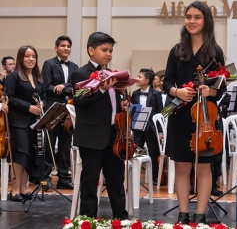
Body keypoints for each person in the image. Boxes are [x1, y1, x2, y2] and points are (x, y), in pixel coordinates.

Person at [162, 1, 225, 225]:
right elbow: (166, 82)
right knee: (181, 166)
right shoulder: (177, 50)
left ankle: (200, 214)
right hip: (180, 115)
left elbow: (222, 87)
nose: (192, 21)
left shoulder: (215, 52)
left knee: (204, 167)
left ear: (206, 20)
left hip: (205, 118)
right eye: (188, 16)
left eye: (197, 17)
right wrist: (177, 91)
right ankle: (183, 213)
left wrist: (211, 90)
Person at [71, 32, 128, 219]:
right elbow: (80, 102)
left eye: (111, 50)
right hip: (92, 136)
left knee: (116, 181)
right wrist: (101, 90)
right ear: (91, 50)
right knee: (90, 181)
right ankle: (87, 220)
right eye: (104, 50)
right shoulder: (80, 73)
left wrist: (122, 104)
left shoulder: (113, 75)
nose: (109, 54)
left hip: (114, 135)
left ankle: (122, 218)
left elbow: (111, 103)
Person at [5, 46, 46, 202]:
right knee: (20, 155)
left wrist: (42, 104)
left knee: (30, 154)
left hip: (33, 122)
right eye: (27, 56)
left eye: (34, 56)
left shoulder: (38, 78)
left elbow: (43, 96)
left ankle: (24, 188)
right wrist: (29, 107)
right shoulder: (13, 77)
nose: (31, 59)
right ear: (20, 58)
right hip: (18, 122)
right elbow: (11, 98)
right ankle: (14, 190)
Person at [41, 35, 78, 191]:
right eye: (63, 45)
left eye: (68, 46)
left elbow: (76, 88)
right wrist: (61, 88)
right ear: (56, 48)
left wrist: (64, 86)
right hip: (53, 108)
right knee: (49, 144)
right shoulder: (48, 64)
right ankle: (45, 178)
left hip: (69, 110)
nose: (66, 48)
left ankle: (64, 177)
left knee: (65, 145)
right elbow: (46, 87)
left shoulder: (75, 67)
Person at [131, 68, 163, 185]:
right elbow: (133, 111)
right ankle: (133, 175)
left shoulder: (156, 94)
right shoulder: (135, 94)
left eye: (140, 77)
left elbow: (160, 112)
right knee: (135, 149)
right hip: (138, 124)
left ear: (147, 81)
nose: (137, 79)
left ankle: (154, 177)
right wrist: (132, 129)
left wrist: (160, 131)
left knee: (153, 151)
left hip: (151, 126)